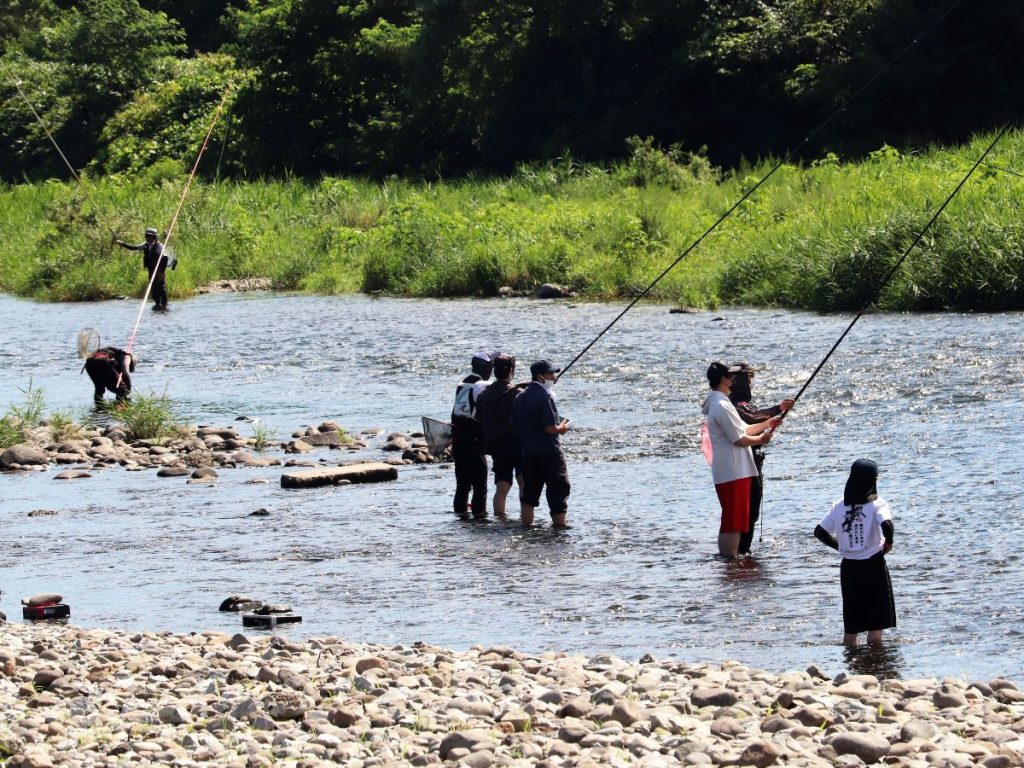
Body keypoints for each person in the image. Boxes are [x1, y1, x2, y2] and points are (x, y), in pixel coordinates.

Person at [814, 459, 896, 646]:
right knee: (875, 625)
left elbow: (819, 532)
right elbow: (887, 525)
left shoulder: (839, 506)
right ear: (873, 481)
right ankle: (875, 663)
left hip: (849, 567)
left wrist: (841, 546)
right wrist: (889, 543)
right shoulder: (877, 505)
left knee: (852, 623)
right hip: (873, 564)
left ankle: (852, 663)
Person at [701, 361, 777, 557]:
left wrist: (769, 422)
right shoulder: (720, 405)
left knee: (732, 521)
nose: (733, 379)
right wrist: (761, 439)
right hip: (733, 473)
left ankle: (729, 562)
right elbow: (739, 439)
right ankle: (730, 563)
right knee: (733, 523)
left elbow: (743, 429)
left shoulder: (723, 403)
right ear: (723, 380)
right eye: (730, 376)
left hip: (733, 472)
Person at [729, 362, 795, 555]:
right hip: (745, 467)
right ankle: (740, 552)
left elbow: (757, 417)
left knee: (752, 512)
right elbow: (753, 416)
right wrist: (779, 408)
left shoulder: (743, 404)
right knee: (748, 513)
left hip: (753, 464)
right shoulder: (736, 405)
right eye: (749, 378)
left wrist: (771, 421)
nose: (751, 382)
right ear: (741, 381)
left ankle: (742, 553)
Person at [512, 360, 570, 528]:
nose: (554, 377)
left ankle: (527, 529)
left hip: (529, 454)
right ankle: (560, 532)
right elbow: (550, 428)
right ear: (540, 376)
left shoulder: (520, 396)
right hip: (550, 454)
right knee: (558, 493)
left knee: (529, 495)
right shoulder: (545, 397)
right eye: (551, 374)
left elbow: (515, 424)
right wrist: (562, 428)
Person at [475, 354, 527, 518]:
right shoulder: (519, 394)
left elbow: (480, 419)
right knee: (523, 483)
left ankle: (500, 519)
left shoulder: (484, 395)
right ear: (511, 370)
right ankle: (525, 519)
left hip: (497, 446)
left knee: (501, 487)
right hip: (519, 445)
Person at [450, 350, 494, 517]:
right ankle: (479, 520)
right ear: (483, 367)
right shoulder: (480, 385)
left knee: (462, 485)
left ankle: (460, 518)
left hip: (458, 441)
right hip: (473, 442)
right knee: (480, 485)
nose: (492, 369)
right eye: (490, 365)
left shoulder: (462, 383)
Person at [116, 227, 172, 311]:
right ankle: (157, 305)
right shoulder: (145, 245)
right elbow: (133, 247)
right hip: (151, 269)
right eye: (147, 236)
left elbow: (165, 258)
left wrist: (162, 272)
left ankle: (164, 305)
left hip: (159, 270)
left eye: (150, 236)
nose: (148, 238)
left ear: (154, 237)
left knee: (161, 288)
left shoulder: (159, 246)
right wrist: (122, 243)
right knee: (153, 288)